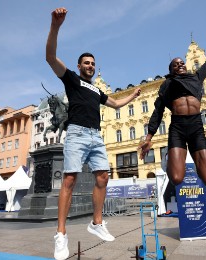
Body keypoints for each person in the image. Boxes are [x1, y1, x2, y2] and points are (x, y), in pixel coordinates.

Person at [46, 7, 141, 260]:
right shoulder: (72, 80)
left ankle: (96, 223)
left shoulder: (96, 90)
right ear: (79, 66)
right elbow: (50, 57)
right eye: (86, 63)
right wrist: (55, 26)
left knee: (103, 178)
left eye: (93, 63)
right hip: (76, 133)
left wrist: (133, 96)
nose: (90, 65)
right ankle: (61, 234)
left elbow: (116, 104)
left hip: (96, 136)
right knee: (69, 180)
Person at [138, 39, 206, 187]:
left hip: (196, 127)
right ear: (171, 70)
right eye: (176, 64)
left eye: (182, 63)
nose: (180, 64)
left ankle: (190, 161)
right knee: (177, 178)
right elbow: (158, 112)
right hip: (177, 129)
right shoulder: (167, 84)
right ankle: (170, 158)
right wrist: (148, 138)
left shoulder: (196, 78)